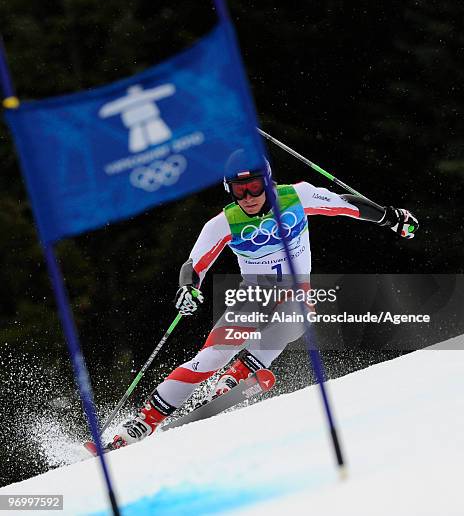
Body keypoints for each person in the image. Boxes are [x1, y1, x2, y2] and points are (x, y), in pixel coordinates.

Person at [106, 149, 419, 450]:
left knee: (298, 316)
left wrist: (389, 217)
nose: (248, 198)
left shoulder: (296, 196)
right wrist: (188, 288)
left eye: (254, 187)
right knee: (213, 355)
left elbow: (343, 204)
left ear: (267, 182)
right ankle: (144, 421)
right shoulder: (223, 223)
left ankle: (236, 376)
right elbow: (194, 265)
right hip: (255, 294)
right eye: (239, 191)